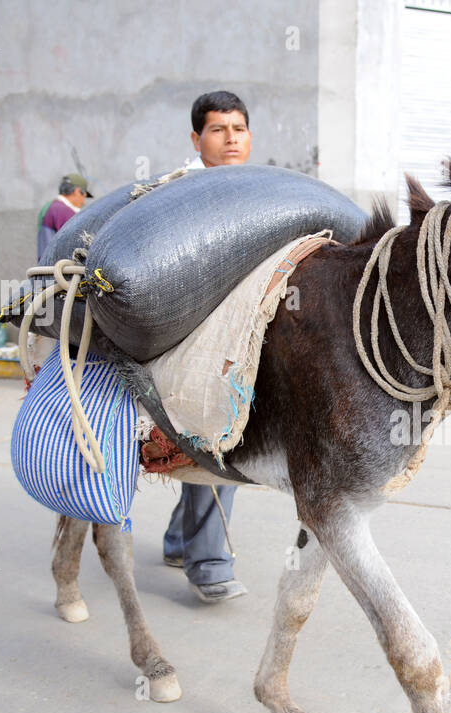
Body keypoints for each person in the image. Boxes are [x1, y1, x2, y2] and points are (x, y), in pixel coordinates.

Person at [161, 90, 254, 604]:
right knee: (216, 438)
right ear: (196, 139)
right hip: (192, 336)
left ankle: (180, 541)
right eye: (218, 129)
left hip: (241, 333)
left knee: (209, 443)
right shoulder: (181, 194)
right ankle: (210, 564)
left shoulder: (259, 189)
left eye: (238, 128)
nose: (230, 138)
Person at [36, 173, 91, 260]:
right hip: (57, 268)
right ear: (77, 191)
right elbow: (75, 245)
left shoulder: (49, 206)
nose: (83, 202)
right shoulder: (66, 212)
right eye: (84, 196)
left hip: (45, 265)